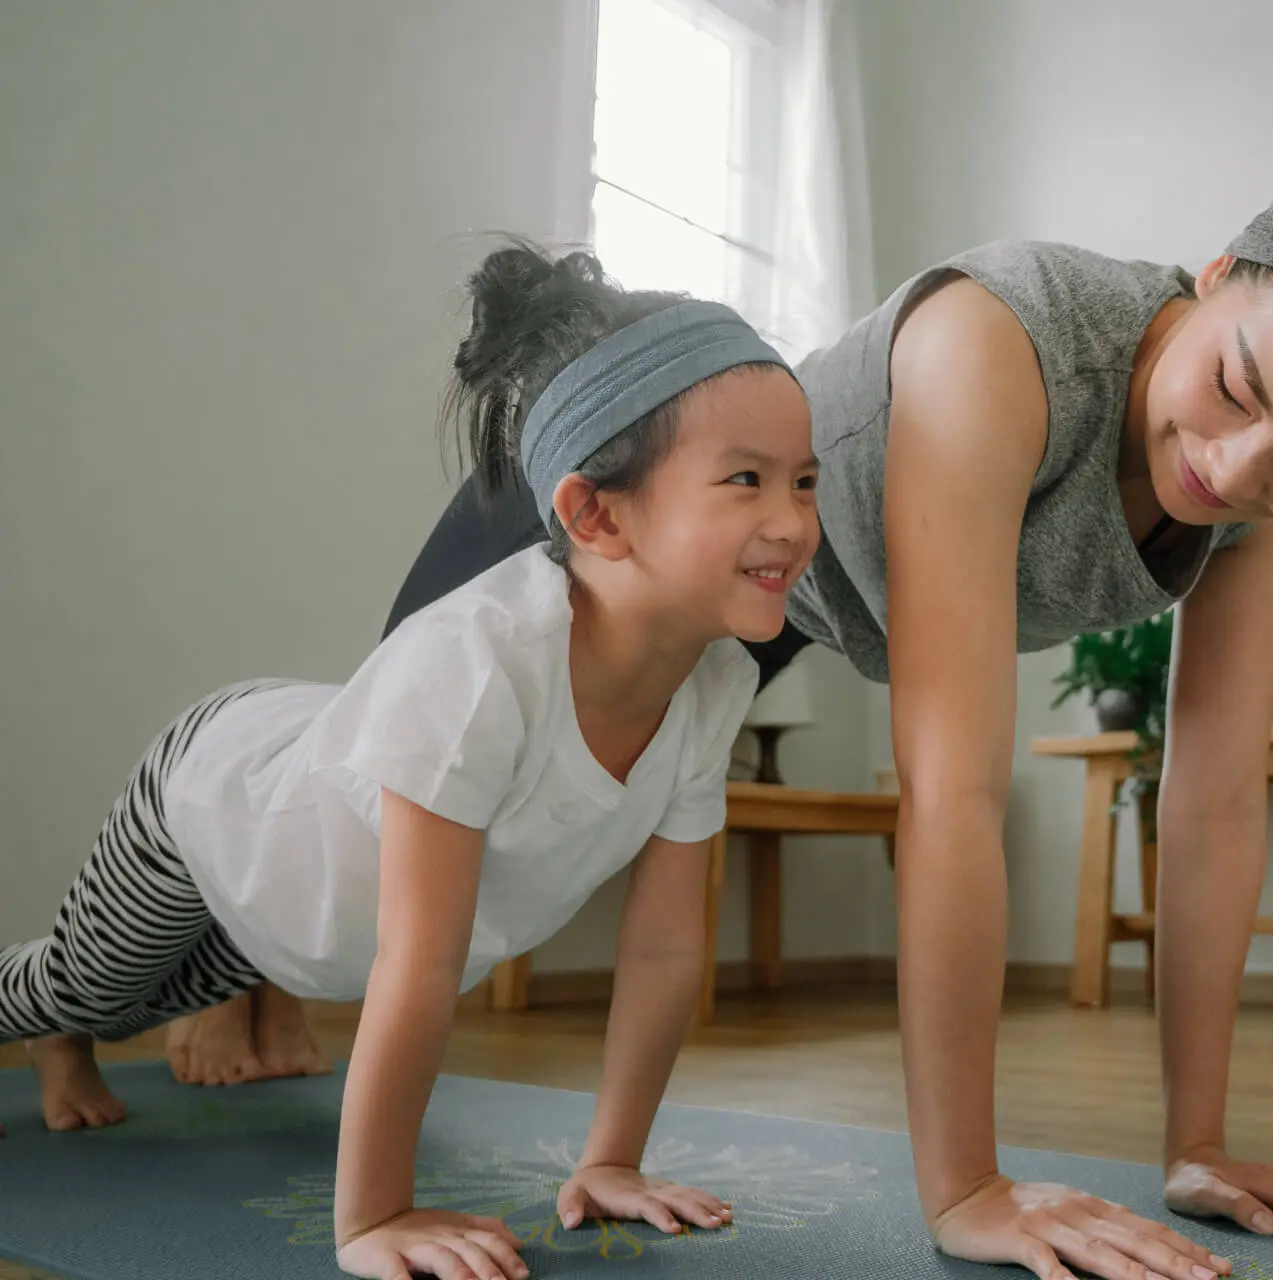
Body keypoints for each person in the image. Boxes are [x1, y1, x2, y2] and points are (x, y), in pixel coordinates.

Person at [185, 133, 1273, 1280]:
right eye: (1235, 389)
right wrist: (966, 1189)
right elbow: (951, 789)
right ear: (1215, 280)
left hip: (772, 611)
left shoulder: (1266, 480)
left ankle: (259, 989)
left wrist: (1196, 1146)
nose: (1237, 469)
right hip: (634, 541)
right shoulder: (1004, 341)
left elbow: (1212, 796)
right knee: (353, 800)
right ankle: (229, 966)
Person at [0, 249, 822, 1280]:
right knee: (84, 985)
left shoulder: (714, 688)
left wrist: (612, 1157)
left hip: (313, 913)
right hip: (216, 804)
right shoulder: (481, 665)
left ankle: (73, 1028)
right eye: (746, 479)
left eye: (804, 480)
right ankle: (53, 1026)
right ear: (596, 515)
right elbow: (419, 960)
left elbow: (661, 950)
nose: (792, 522)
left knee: (149, 993)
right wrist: (375, 1214)